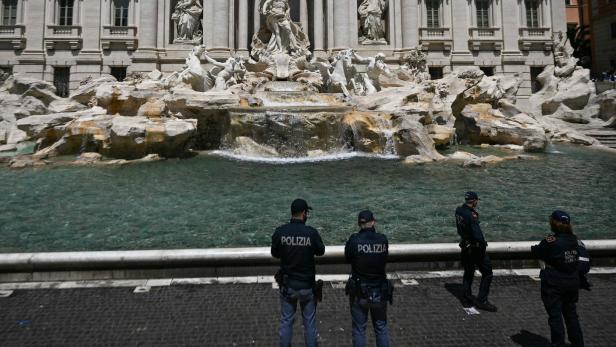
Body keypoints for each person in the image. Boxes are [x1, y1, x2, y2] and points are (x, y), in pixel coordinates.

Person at [271, 198, 325, 347]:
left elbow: (274, 253)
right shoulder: (311, 233)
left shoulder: (281, 232)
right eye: (307, 212)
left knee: (286, 322)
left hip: (288, 285)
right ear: (303, 213)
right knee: (309, 325)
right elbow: (321, 251)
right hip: (307, 286)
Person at [531, 210, 590, 347]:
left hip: (553, 283)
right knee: (571, 315)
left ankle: (558, 344)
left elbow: (538, 251)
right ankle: (578, 343)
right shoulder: (575, 240)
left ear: (554, 222)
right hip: (572, 282)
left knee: (555, 316)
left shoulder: (551, 241)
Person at [345, 210, 391, 347]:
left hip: (360, 291)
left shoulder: (354, 240)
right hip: (379, 290)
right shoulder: (383, 239)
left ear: (359, 223)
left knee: (359, 329)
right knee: (381, 327)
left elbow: (348, 258)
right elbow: (384, 258)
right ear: (373, 222)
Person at [455, 191, 497, 312]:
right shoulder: (471, 215)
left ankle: (466, 296)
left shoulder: (459, 210)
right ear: (474, 201)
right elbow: (478, 235)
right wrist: (483, 244)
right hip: (475, 248)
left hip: (465, 245)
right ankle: (482, 300)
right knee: (487, 272)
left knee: (468, 271)